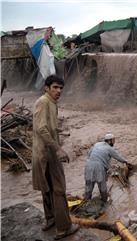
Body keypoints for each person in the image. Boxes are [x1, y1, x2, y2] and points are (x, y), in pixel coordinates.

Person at [32, 75, 79, 240]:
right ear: (47, 88)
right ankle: (64, 228)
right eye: (55, 87)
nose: (59, 91)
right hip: (48, 153)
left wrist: (59, 131)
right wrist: (58, 149)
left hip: (43, 152)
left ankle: (50, 220)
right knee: (59, 189)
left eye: (61, 88)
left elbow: (48, 127)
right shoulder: (44, 102)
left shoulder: (51, 103)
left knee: (48, 188)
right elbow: (41, 129)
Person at [84, 133, 130, 202]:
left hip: (88, 165)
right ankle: (104, 200)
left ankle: (86, 201)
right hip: (99, 166)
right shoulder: (109, 148)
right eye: (113, 140)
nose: (114, 142)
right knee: (102, 185)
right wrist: (126, 161)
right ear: (109, 141)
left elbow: (89, 154)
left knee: (89, 184)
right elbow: (118, 157)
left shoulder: (97, 144)